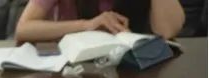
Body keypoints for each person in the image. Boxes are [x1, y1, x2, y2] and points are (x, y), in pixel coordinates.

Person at [15, 0, 186, 42]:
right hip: (79, 74)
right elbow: (23, 29)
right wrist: (85, 25)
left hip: (138, 74)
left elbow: (168, 30)